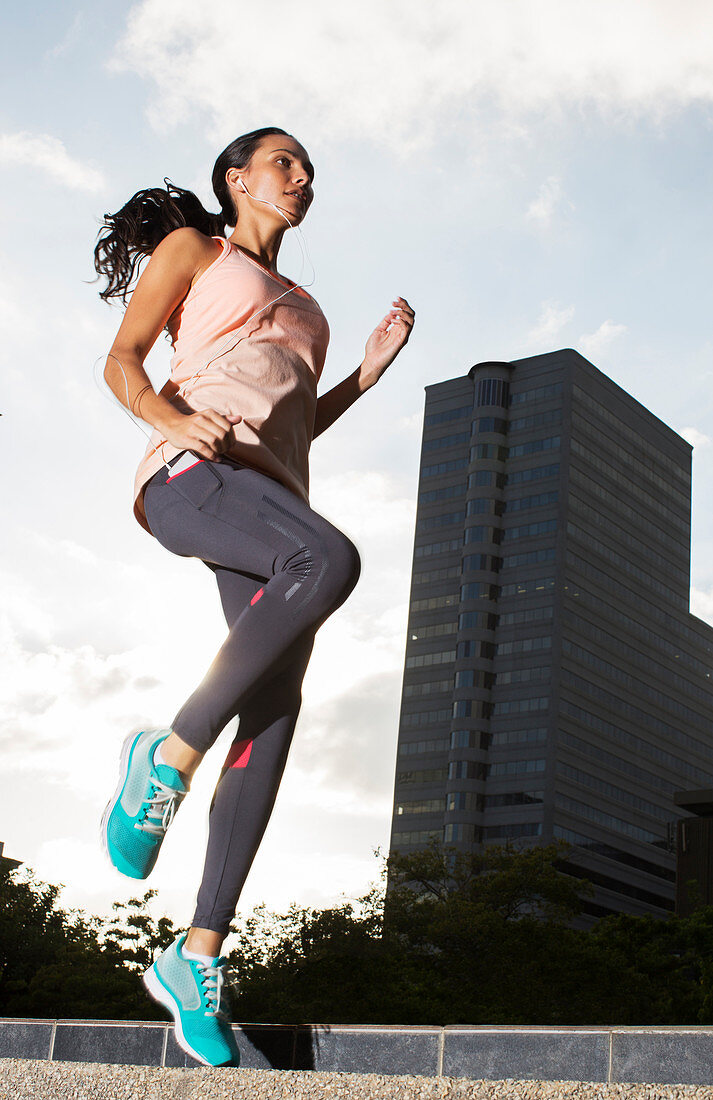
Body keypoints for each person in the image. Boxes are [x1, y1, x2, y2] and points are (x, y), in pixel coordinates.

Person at [93, 126, 415, 1067]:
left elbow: (298, 419)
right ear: (237, 179)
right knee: (334, 564)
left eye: (309, 167)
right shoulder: (197, 250)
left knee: (275, 711)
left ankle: (194, 956)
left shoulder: (308, 306)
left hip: (270, 505)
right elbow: (124, 359)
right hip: (193, 475)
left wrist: (364, 371)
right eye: (284, 161)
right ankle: (168, 752)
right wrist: (170, 416)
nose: (302, 176)